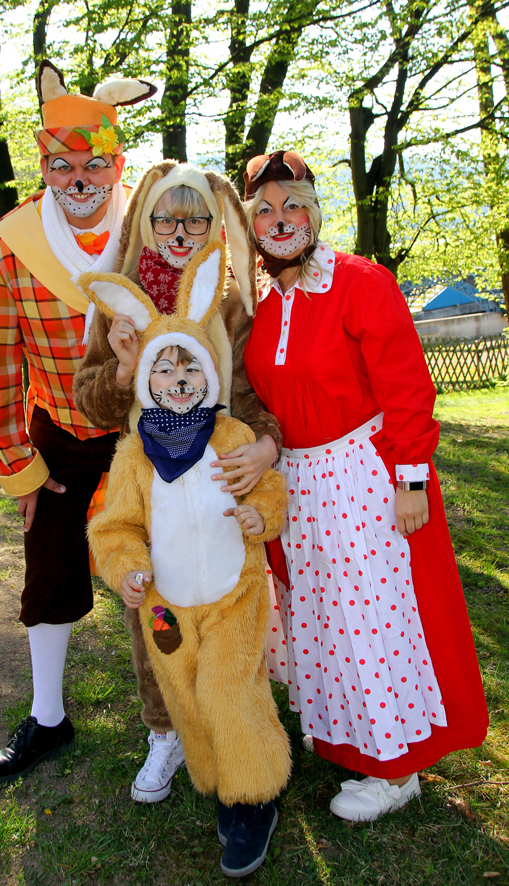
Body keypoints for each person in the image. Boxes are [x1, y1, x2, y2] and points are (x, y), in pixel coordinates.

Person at [230, 149, 489, 822]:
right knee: (322, 617)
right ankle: (348, 733)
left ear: (314, 213)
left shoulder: (359, 282)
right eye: (265, 210)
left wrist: (411, 480)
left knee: (375, 618)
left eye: (293, 206)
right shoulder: (256, 300)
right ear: (249, 223)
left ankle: (397, 767)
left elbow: (406, 385)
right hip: (299, 481)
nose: (280, 219)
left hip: (362, 475)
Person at [73, 162, 282, 803]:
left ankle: (237, 718)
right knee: (152, 609)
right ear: (146, 223)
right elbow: (89, 403)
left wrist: (266, 445)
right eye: (167, 220)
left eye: (197, 221)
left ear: (214, 226)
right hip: (149, 477)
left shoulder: (230, 301)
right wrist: (120, 371)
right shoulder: (121, 303)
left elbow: (252, 395)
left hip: (215, 473)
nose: (181, 234)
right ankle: (165, 729)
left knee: (227, 602)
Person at [0, 60, 156, 784]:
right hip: (59, 427)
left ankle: (177, 714)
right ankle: (47, 717)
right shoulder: (8, 242)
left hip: (148, 428)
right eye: (62, 165)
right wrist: (18, 467)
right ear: (44, 167)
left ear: (118, 165)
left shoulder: (153, 225)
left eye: (95, 164)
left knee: (164, 567)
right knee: (48, 568)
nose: (79, 180)